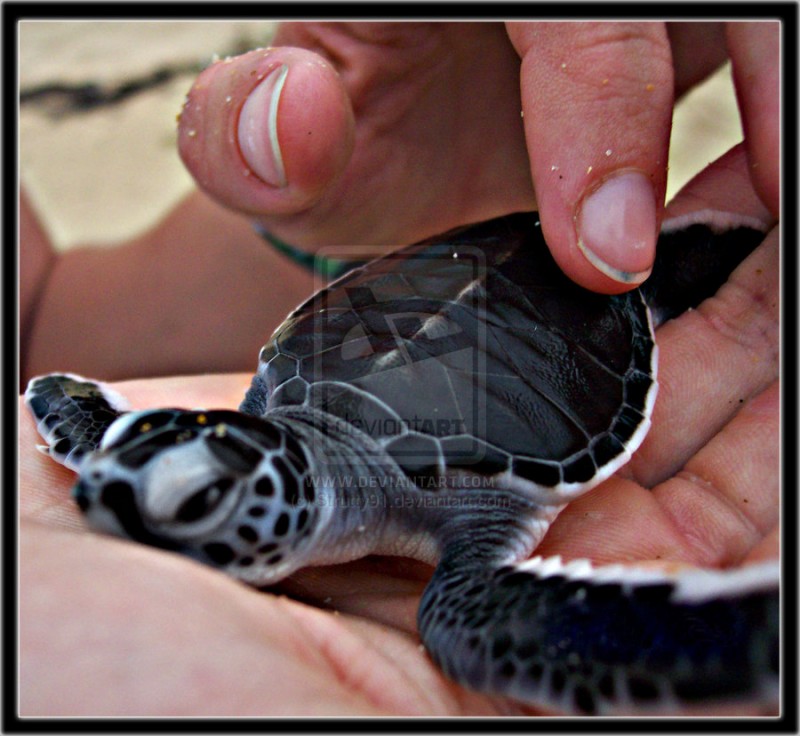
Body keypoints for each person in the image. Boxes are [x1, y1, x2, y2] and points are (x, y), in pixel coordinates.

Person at [18, 21, 779, 716]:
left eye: (189, 504)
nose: (123, 519)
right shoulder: (443, 569)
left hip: (535, 294)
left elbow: (39, 325)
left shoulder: (427, 499)